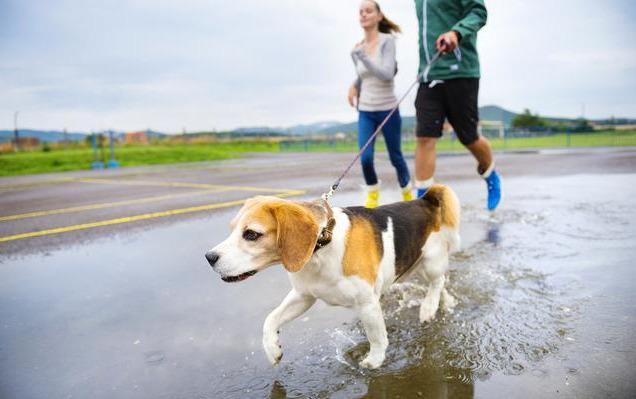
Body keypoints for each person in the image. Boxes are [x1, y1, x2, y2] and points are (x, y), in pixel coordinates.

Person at [413, 0, 501, 210]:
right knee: (425, 136)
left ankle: (490, 175)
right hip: (429, 74)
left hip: (461, 72)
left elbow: (478, 12)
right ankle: (422, 206)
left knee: (469, 137)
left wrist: (456, 32)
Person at [348, 0, 413, 208]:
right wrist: (354, 85)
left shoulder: (387, 41)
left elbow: (385, 74)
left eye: (368, 11)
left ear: (378, 16)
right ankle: (373, 193)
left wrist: (364, 57)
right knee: (365, 158)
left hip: (388, 109)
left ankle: (408, 195)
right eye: (361, 12)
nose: (364, 15)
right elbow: (363, 75)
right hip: (366, 109)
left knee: (396, 157)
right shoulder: (357, 49)